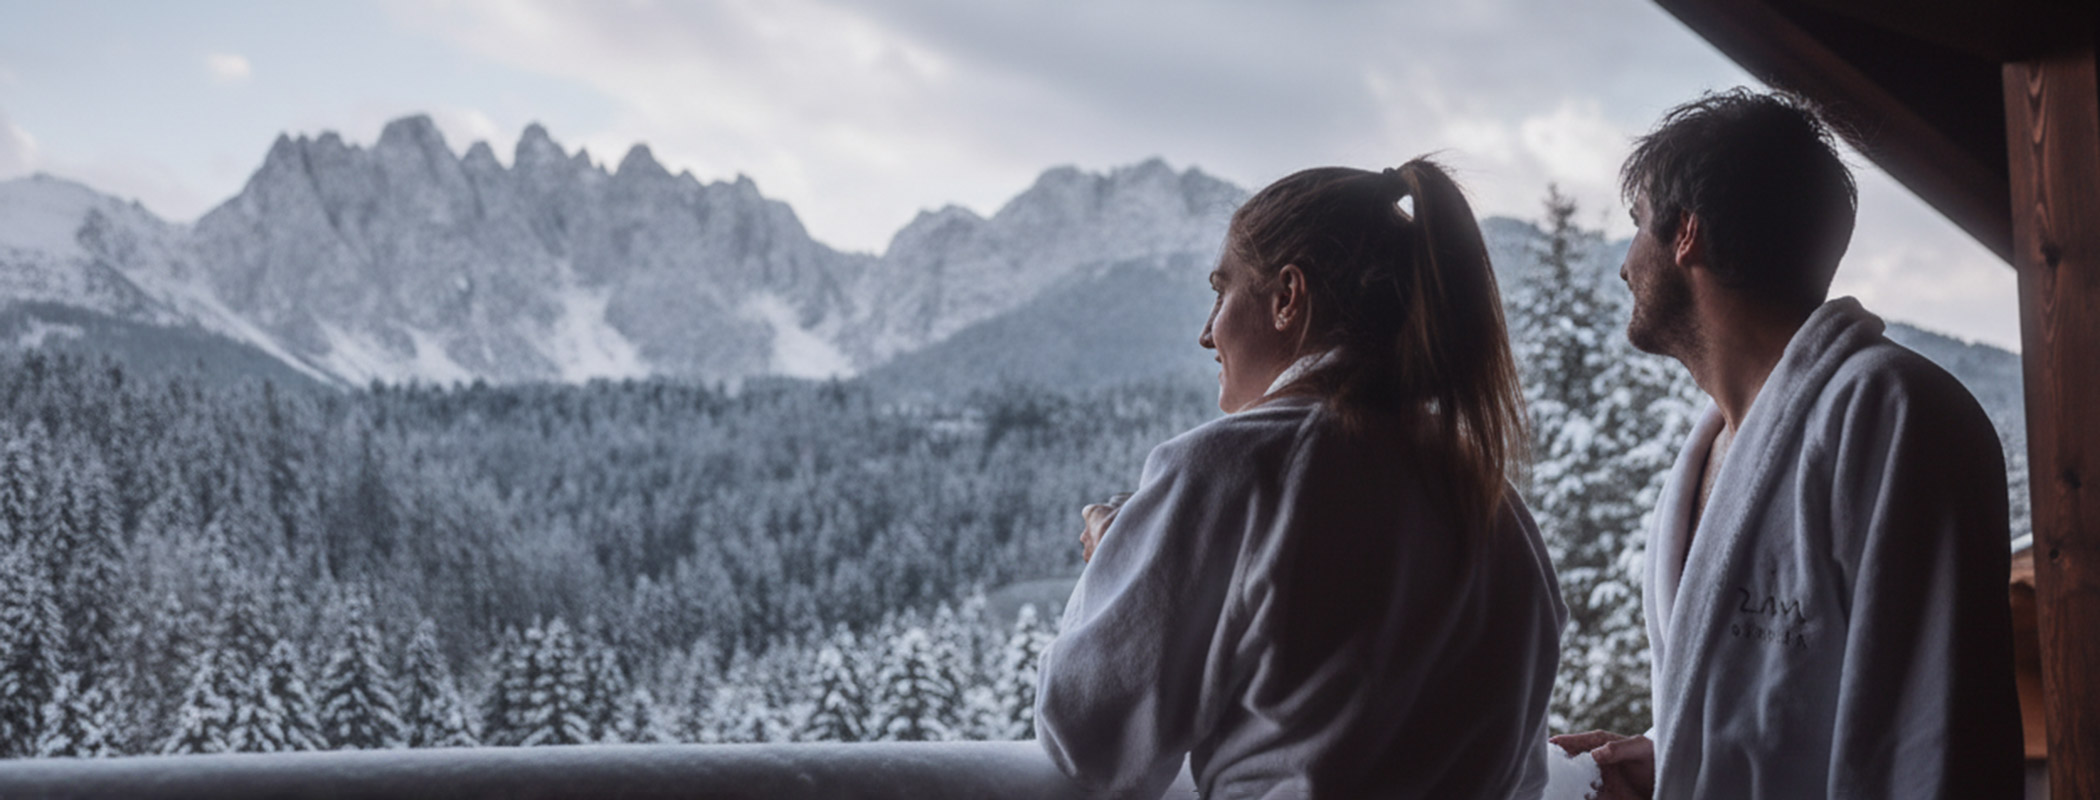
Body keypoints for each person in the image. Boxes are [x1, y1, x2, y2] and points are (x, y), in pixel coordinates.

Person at [1035, 158, 1567, 799]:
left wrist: (1112, 565)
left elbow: (1092, 745)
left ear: (1288, 297)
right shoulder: (1494, 501)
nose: (1207, 334)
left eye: (1221, 291)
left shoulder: (1231, 470)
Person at [1550, 89, 2024, 799]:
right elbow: (1787, 703)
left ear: (1686, 234)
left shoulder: (1892, 413)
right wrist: (1671, 756)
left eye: (1637, 227)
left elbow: (1933, 739)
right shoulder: (1718, 444)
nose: (1624, 264)